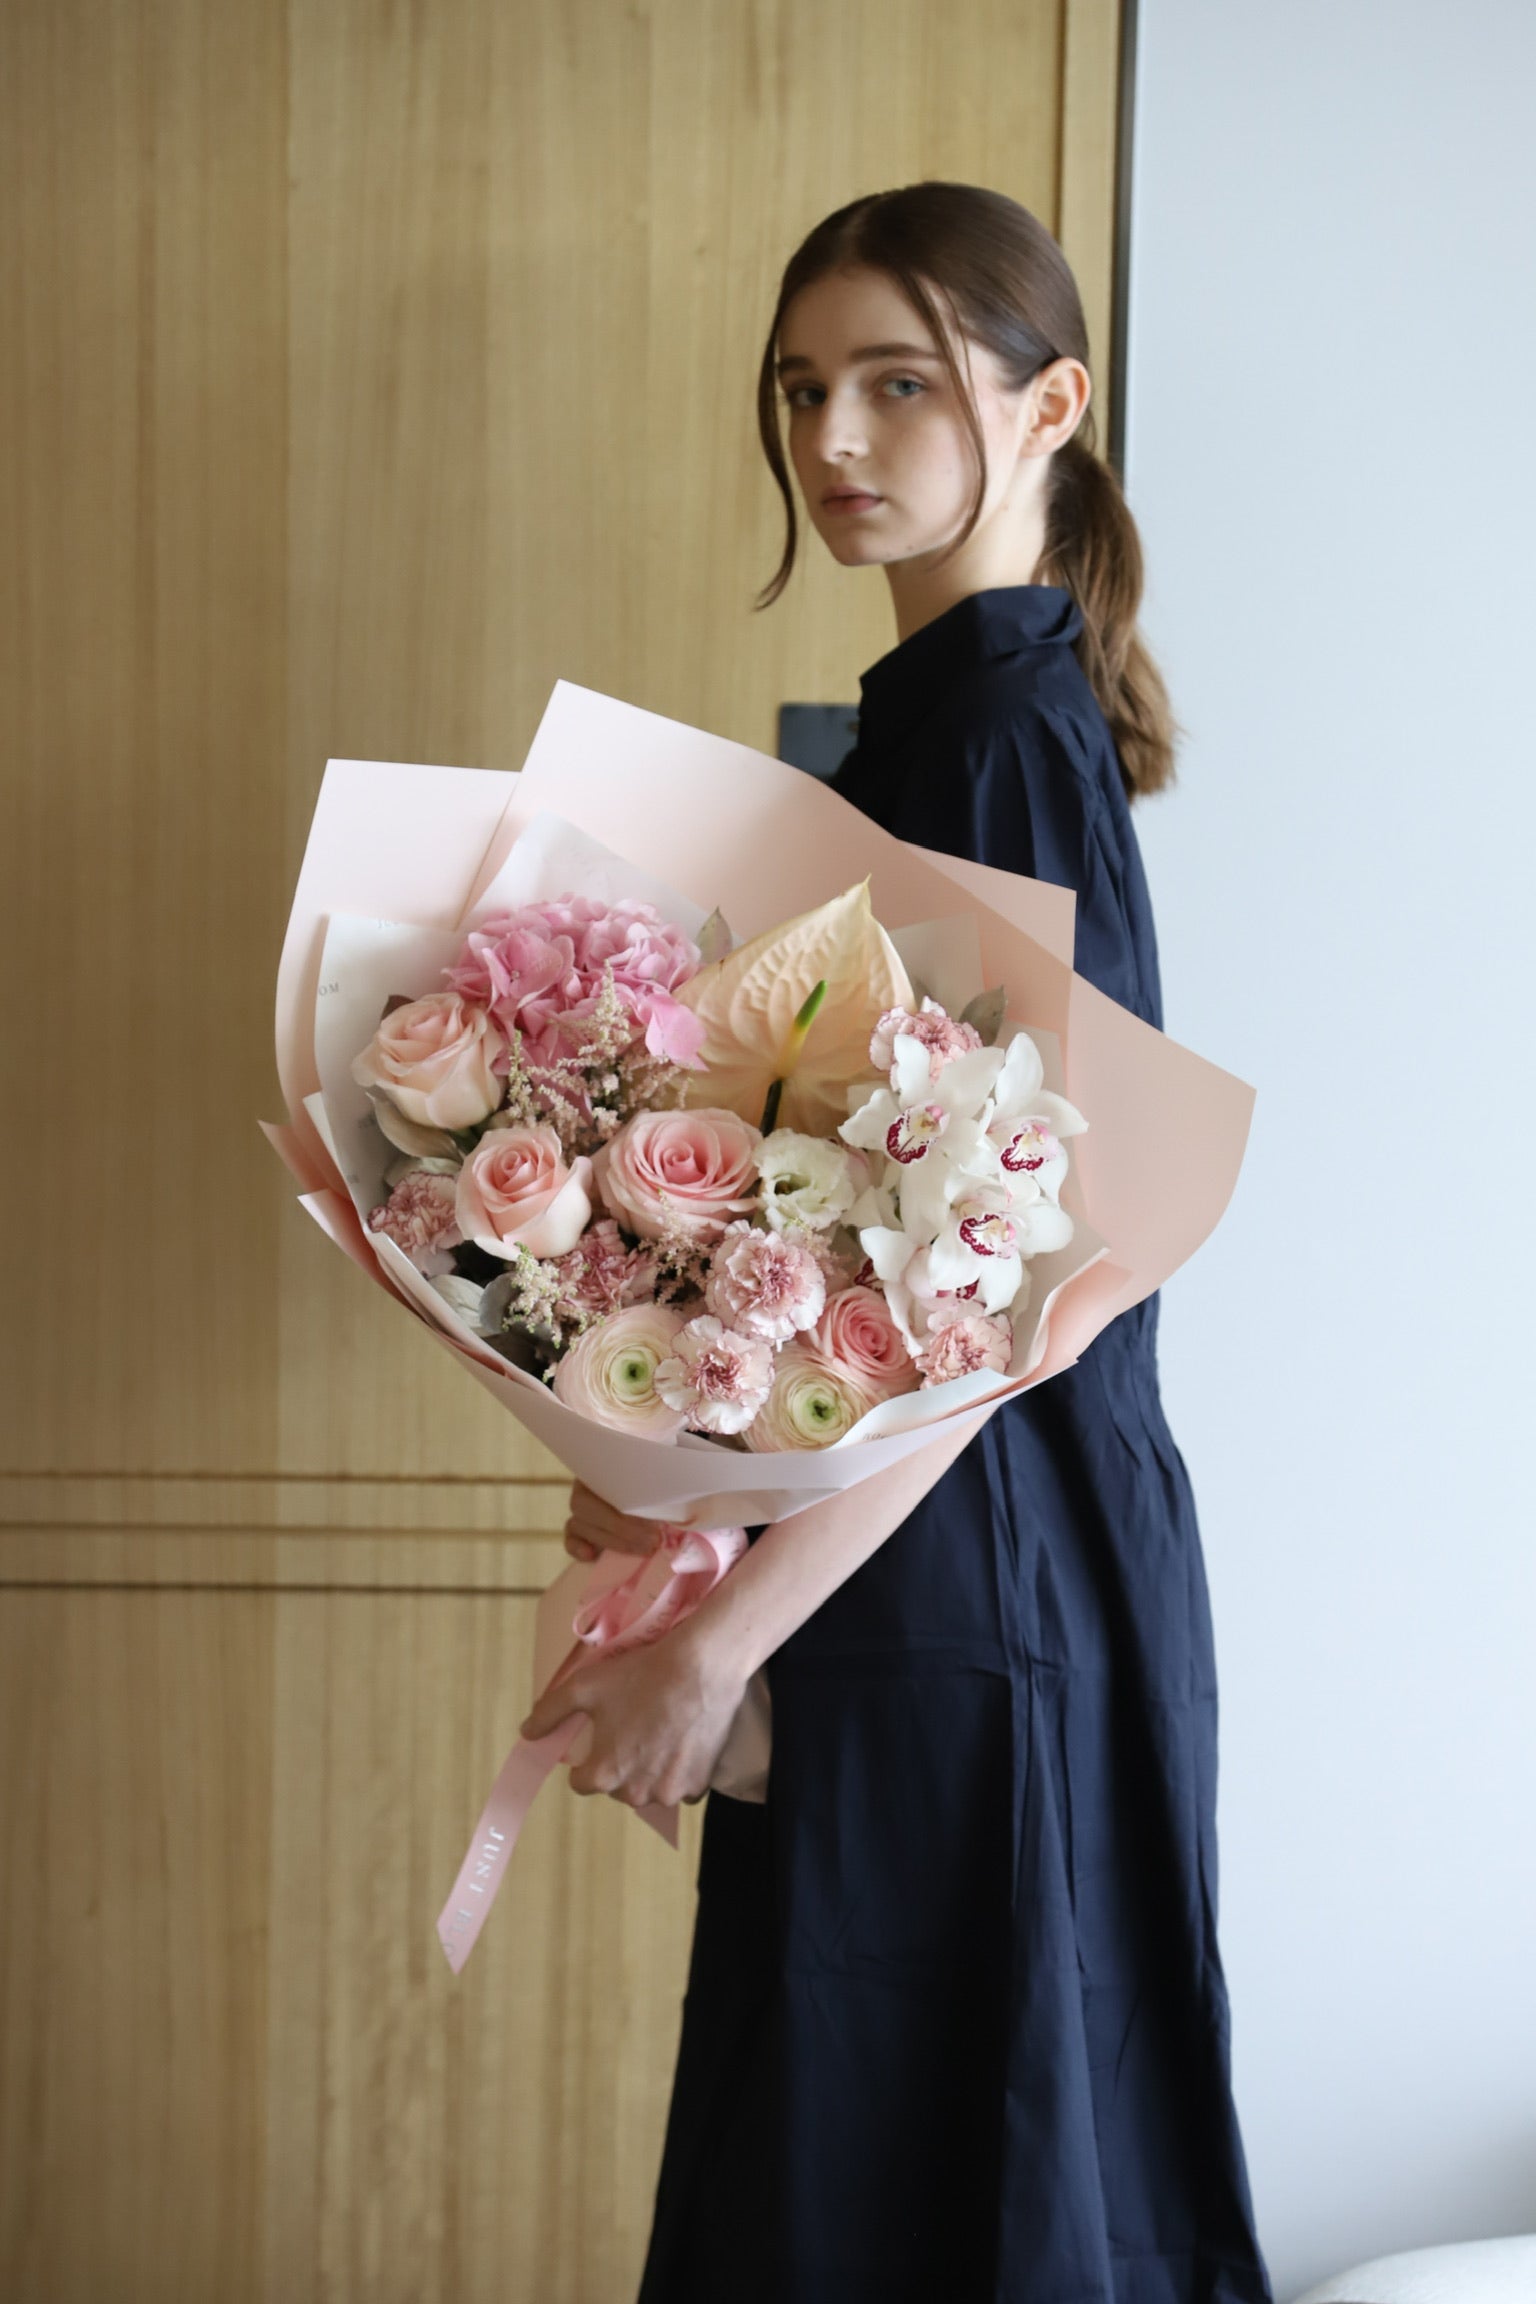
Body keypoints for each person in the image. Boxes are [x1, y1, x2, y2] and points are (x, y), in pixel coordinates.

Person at [520, 182, 1274, 2304]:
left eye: (895, 384)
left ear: (1051, 406)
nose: (834, 439)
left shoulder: (1004, 745)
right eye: (801, 390)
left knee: (932, 2182)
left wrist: (727, 1636)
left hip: (985, 1579)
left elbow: (1022, 1290)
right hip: (942, 1569)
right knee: (887, 2163)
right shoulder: (934, 729)